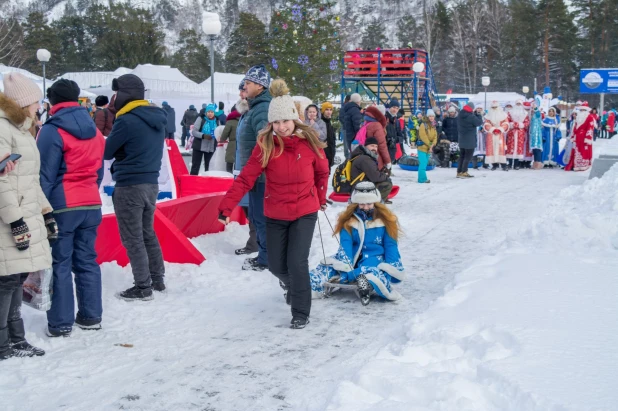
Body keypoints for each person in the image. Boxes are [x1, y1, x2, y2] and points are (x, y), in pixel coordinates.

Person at [218, 79, 329, 329]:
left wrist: (320, 198)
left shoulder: (310, 144)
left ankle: (300, 310)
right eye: (276, 122)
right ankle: (291, 286)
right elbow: (246, 177)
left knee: (297, 262)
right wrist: (226, 207)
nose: (281, 127)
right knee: (277, 265)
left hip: (304, 211)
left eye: (285, 121)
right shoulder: (266, 145)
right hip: (276, 212)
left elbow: (322, 173)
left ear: (294, 119)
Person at [37, 80, 105, 336]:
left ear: (53, 101)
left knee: (60, 263)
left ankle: (61, 322)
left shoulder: (52, 130)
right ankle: (91, 315)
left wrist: (39, 209)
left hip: (62, 204)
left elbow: (45, 175)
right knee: (87, 260)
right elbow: (98, 171)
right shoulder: (95, 130)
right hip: (90, 203)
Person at [0, 73, 52, 358]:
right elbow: (2, 182)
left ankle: (16, 339)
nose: (39, 106)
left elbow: (31, 179)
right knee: (6, 280)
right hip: (8, 218)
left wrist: (46, 212)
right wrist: (16, 221)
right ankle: (3, 344)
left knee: (17, 278)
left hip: (26, 212)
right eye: (34, 101)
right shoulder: (3, 129)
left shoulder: (23, 130)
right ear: (22, 103)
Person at [104, 74, 167, 300]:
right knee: (147, 233)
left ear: (124, 94)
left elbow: (107, 151)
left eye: (116, 93)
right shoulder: (157, 116)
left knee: (133, 238)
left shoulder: (126, 120)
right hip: (151, 184)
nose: (114, 98)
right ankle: (157, 279)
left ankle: (142, 286)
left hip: (129, 185)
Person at [309, 182, 404, 302]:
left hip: (375, 257)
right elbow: (345, 244)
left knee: (373, 270)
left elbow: (390, 245)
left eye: (369, 204)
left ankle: (365, 284)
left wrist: (392, 265)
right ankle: (306, 285)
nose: (365, 207)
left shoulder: (385, 221)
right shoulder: (349, 221)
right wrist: (345, 264)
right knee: (327, 268)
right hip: (352, 257)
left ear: (376, 203)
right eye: (362, 204)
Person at [236, 64, 272, 271]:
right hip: (255, 174)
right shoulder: (254, 106)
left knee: (260, 217)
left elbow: (265, 143)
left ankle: (266, 258)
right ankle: (263, 254)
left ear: (259, 86)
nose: (245, 86)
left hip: (261, 175)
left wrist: (257, 169)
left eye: (248, 83)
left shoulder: (261, 109)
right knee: (257, 216)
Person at [232, 82, 258, 257]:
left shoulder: (253, 115)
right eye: (240, 91)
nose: (241, 94)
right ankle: (256, 242)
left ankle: (255, 243)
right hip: (241, 169)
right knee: (248, 208)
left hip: (250, 170)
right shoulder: (243, 115)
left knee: (253, 208)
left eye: (244, 90)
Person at [349, 137, 393, 202]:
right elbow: (375, 177)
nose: (374, 148)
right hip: (360, 187)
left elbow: (372, 173)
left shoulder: (363, 156)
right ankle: (376, 203)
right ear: (365, 146)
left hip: (359, 184)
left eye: (376, 146)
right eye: (372, 146)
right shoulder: (365, 159)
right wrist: (386, 175)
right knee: (387, 183)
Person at [456, 102, 484, 178]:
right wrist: (478, 114)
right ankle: (464, 171)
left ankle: (459, 171)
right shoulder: (470, 116)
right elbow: (478, 122)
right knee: (468, 157)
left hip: (462, 138)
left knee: (462, 156)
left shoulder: (460, 114)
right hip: (470, 139)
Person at [565, 104, 595, 172]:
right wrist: (573, 136)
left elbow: (590, 128)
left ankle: (583, 165)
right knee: (576, 151)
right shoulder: (578, 117)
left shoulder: (590, 117)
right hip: (577, 137)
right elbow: (574, 128)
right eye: (581, 110)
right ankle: (576, 165)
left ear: (586, 110)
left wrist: (588, 138)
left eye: (583, 110)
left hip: (584, 137)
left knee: (583, 151)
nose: (582, 111)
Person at [190, 104, 218, 174]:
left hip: (211, 147)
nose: (210, 114)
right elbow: (194, 132)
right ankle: (192, 181)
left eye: (212, 112)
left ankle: (207, 182)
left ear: (214, 113)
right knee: (195, 166)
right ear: (206, 112)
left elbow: (219, 131)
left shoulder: (217, 121)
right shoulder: (201, 119)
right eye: (208, 112)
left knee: (209, 167)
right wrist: (203, 136)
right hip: (199, 146)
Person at [364, 105, 391, 171]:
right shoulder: (377, 125)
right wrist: (387, 161)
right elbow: (382, 145)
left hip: (366, 154)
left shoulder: (366, 122)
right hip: (376, 156)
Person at [483, 101, 509, 171]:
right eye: (493, 107)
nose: (494, 109)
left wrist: (500, 129)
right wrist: (492, 129)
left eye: (495, 107)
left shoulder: (503, 115)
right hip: (491, 134)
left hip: (500, 134)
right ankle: (494, 164)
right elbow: (486, 124)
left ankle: (503, 165)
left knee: (501, 149)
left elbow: (506, 123)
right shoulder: (488, 115)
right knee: (492, 149)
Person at [505, 100, 529, 170]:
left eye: (519, 104)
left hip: (520, 132)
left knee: (519, 148)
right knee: (510, 147)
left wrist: (520, 125)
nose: (518, 105)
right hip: (512, 132)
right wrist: (512, 124)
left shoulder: (525, 113)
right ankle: (509, 163)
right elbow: (507, 121)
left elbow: (527, 122)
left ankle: (516, 164)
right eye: (517, 104)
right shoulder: (510, 112)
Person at [417, 109, 438, 183]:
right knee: (422, 163)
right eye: (430, 116)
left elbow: (435, 136)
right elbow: (423, 136)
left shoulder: (433, 125)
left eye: (433, 116)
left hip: (429, 148)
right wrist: (430, 145)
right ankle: (422, 179)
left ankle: (423, 178)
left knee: (425, 163)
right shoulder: (423, 125)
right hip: (422, 147)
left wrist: (433, 144)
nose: (431, 117)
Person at [219, 105, 240, 173]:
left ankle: (229, 178)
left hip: (232, 144)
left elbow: (225, 133)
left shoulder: (230, 122)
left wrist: (222, 139)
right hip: (241, 144)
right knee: (238, 164)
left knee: (229, 163)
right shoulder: (243, 120)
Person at [385, 98, 404, 165]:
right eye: (393, 107)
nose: (395, 109)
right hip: (384, 145)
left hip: (392, 146)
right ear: (390, 107)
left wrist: (397, 139)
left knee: (389, 163)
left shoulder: (397, 121)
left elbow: (400, 133)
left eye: (397, 108)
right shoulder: (385, 118)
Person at [321, 102, 337, 169]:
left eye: (330, 110)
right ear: (323, 111)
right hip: (324, 153)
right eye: (327, 109)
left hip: (330, 152)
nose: (329, 112)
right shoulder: (321, 122)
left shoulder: (328, 122)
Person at [529, 104, 544, 170]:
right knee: (534, 149)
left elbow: (538, 113)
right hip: (532, 134)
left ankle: (538, 163)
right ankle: (535, 163)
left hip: (537, 134)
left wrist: (535, 108)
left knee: (538, 149)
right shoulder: (532, 116)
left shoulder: (537, 115)